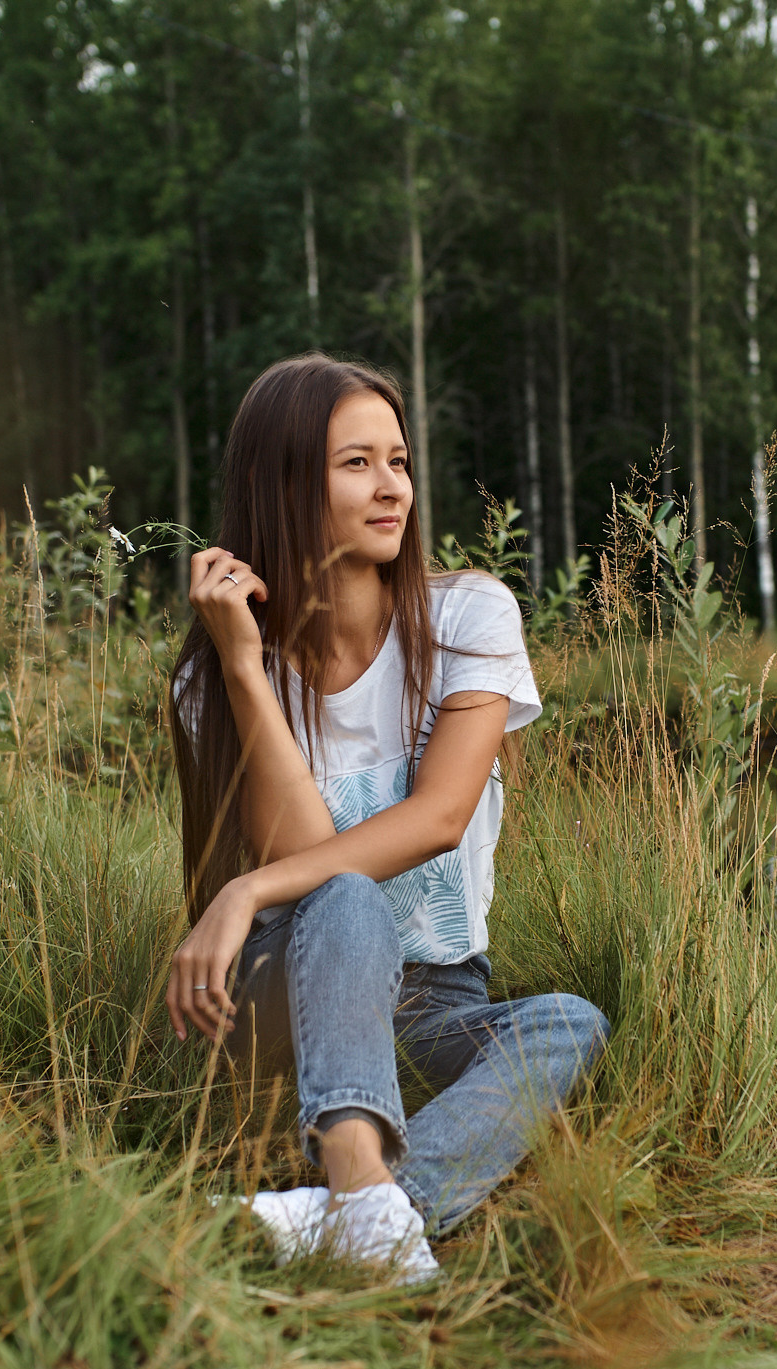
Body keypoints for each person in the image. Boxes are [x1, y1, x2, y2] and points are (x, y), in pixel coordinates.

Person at [164, 352, 609, 1285]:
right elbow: (312, 864)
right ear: (283, 482)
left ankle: (358, 1210)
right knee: (346, 897)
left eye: (399, 461)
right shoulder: (213, 680)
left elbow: (441, 816)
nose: (391, 487)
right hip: (284, 987)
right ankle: (370, 1206)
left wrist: (245, 887)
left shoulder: (468, 617)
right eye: (355, 462)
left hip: (439, 994)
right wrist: (247, 670)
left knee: (569, 1024)